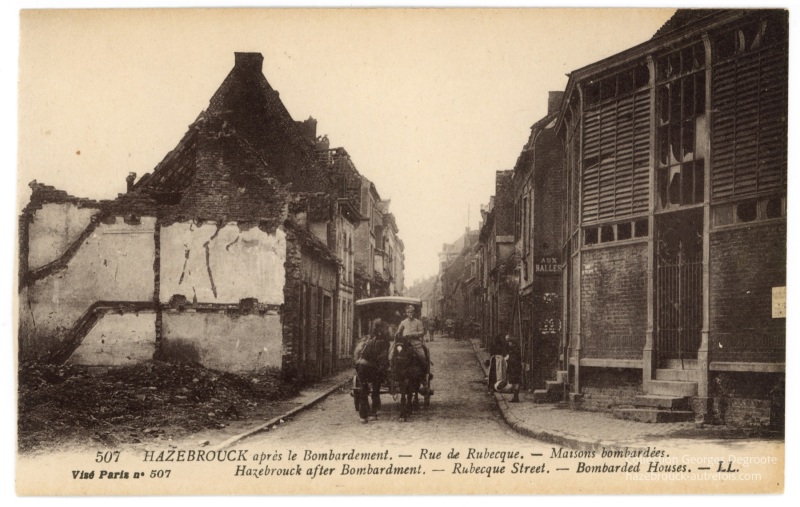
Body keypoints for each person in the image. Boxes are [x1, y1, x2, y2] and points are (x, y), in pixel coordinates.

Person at [390, 304, 430, 374]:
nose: (410, 314)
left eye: (411, 312)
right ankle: (393, 371)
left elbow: (422, 332)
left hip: (415, 343)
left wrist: (413, 334)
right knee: (393, 354)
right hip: (404, 343)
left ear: (414, 313)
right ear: (406, 313)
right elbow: (399, 331)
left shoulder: (418, 322)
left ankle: (424, 376)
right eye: (408, 312)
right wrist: (396, 334)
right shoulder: (403, 322)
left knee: (422, 357)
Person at [505, 335, 522, 402]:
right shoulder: (515, 349)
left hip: (514, 368)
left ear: (512, 343)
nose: (509, 343)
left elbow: (514, 360)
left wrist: (507, 359)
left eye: (510, 342)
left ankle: (515, 397)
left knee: (515, 382)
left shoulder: (514, 350)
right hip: (515, 367)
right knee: (515, 381)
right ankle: (515, 396)